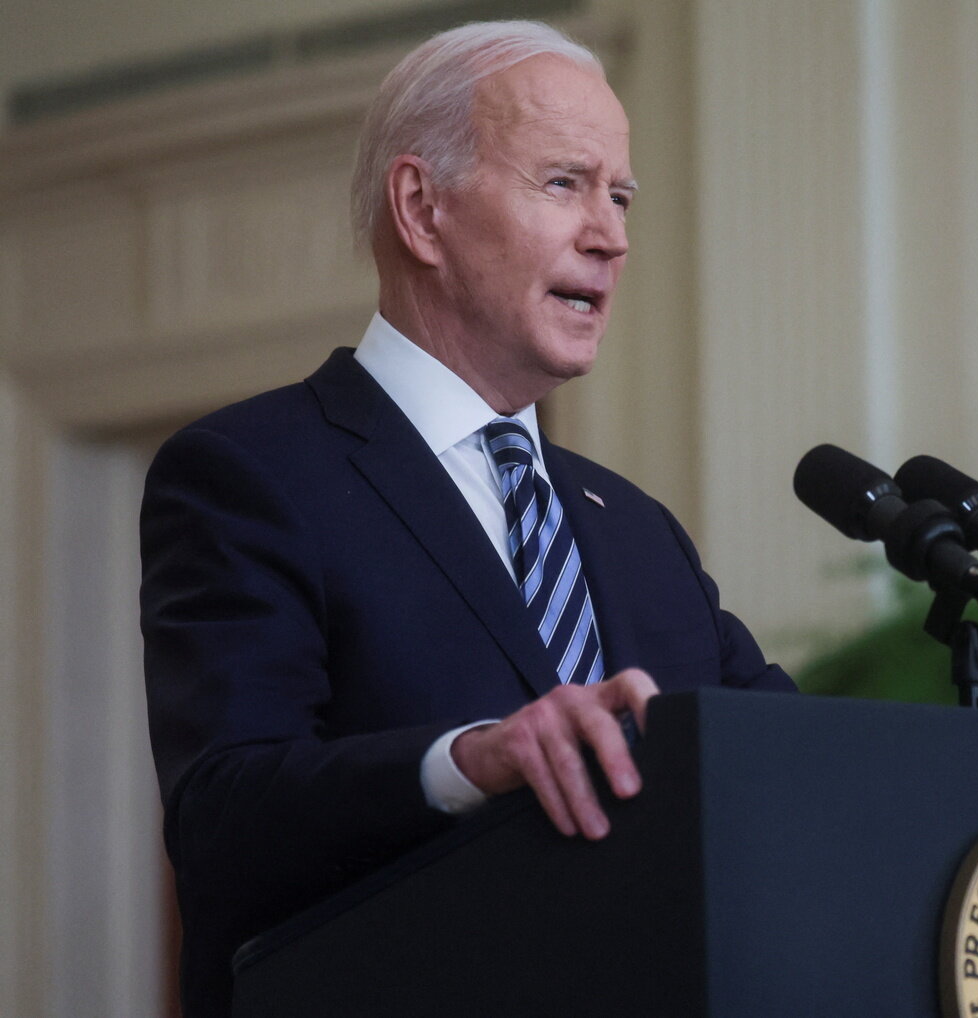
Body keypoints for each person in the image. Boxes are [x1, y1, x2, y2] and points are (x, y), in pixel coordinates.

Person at [140, 20, 794, 1017]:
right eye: (563, 184)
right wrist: (468, 760)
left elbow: (782, 757)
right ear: (422, 208)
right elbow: (224, 819)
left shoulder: (636, 530)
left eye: (619, 196)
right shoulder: (248, 473)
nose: (610, 235)